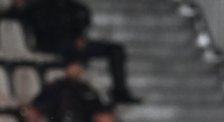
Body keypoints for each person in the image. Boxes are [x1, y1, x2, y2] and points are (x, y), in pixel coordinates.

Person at [8, 0, 139, 103]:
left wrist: (80, 37)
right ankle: (75, 65)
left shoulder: (76, 7)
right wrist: (17, 6)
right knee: (70, 48)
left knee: (115, 49)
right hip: (49, 45)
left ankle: (120, 91)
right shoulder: (36, 6)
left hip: (73, 44)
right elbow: (14, 14)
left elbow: (81, 25)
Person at [27, 57, 105, 122]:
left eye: (79, 67)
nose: (76, 70)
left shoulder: (86, 89)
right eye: (73, 67)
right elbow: (38, 105)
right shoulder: (55, 87)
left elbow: (98, 110)